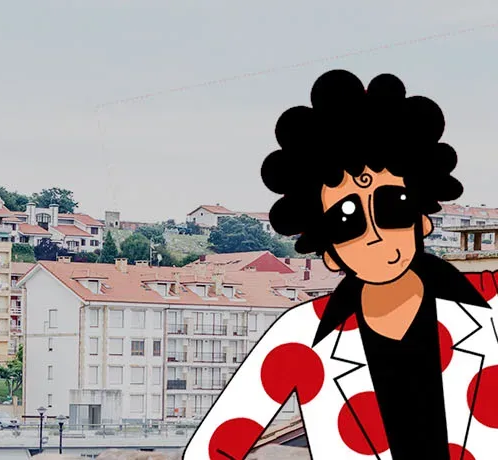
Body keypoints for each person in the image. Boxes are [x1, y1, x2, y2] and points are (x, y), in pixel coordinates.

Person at [182, 69, 498, 459]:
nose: (376, 233)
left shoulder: (492, 304)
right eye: (347, 222)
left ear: (422, 219)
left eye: (392, 206)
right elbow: (212, 447)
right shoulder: (300, 337)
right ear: (329, 251)